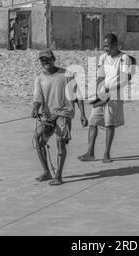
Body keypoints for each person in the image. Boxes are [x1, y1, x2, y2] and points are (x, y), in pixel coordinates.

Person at [32, 49, 88, 186]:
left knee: (60, 141)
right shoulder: (39, 79)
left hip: (64, 113)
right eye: (43, 60)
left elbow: (77, 95)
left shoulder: (66, 75)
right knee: (38, 139)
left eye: (48, 60)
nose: (46, 63)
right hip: (47, 115)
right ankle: (46, 172)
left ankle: (58, 175)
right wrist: (35, 108)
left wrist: (82, 114)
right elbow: (38, 98)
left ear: (53, 59)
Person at [78, 33, 132, 163]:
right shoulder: (103, 57)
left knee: (109, 124)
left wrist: (109, 88)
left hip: (115, 96)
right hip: (101, 96)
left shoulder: (125, 58)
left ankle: (106, 154)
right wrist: (98, 92)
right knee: (92, 122)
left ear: (115, 45)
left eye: (108, 46)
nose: (105, 49)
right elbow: (100, 76)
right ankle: (90, 153)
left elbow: (125, 80)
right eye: (104, 46)